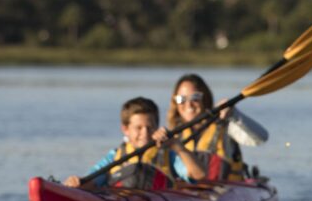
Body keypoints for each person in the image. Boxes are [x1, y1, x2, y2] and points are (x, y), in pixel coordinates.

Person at [63, 97, 205, 190]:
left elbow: (199, 176)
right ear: (125, 129)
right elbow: (92, 181)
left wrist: (177, 145)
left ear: (157, 127)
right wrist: (76, 182)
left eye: (150, 128)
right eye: (138, 128)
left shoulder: (169, 155)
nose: (145, 133)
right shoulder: (115, 156)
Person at [165, 73, 248, 182]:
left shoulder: (224, 124)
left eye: (195, 97)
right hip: (189, 193)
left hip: (227, 191)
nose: (189, 104)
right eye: (181, 99)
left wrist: (235, 114)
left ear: (205, 98)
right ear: (175, 101)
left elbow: (262, 137)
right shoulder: (173, 135)